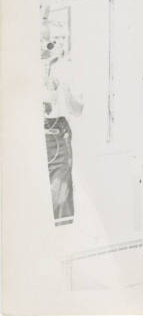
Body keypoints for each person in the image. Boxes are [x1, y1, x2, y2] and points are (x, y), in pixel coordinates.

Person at [42, 36, 83, 225]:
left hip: (56, 132)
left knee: (60, 198)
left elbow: (78, 109)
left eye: (54, 40)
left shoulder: (67, 69)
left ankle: (63, 244)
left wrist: (65, 92)